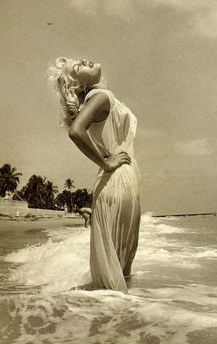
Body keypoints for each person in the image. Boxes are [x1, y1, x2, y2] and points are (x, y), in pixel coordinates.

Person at [47, 57, 141, 293]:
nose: (86, 61)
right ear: (77, 85)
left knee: (117, 272)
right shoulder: (100, 97)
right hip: (118, 178)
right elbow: (76, 131)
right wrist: (107, 163)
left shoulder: (100, 97)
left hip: (119, 181)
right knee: (117, 274)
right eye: (78, 67)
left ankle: (106, 323)